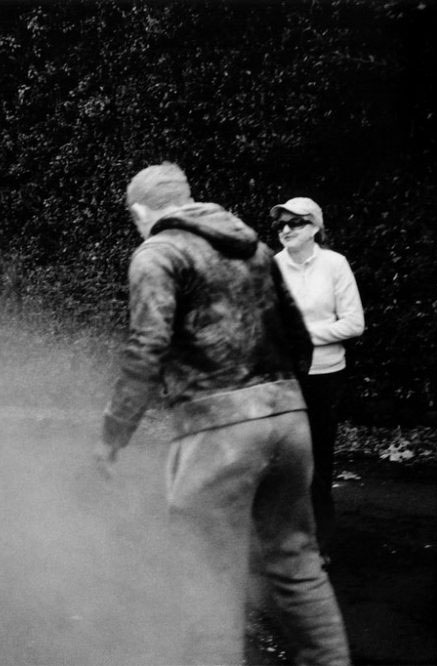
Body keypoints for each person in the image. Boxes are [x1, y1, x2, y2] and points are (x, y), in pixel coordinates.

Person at [98, 163, 350, 665]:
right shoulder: (255, 249)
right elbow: (299, 338)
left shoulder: (158, 252)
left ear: (139, 211)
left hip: (218, 432)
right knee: (297, 563)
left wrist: (113, 433)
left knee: (208, 578)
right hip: (289, 416)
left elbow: (147, 345)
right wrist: (277, 400)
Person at [271, 197, 364, 557]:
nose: (286, 230)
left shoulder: (334, 264)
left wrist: (304, 335)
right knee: (283, 461)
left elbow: (354, 323)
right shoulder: (272, 267)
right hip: (284, 376)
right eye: (281, 224)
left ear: (314, 228)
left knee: (318, 463)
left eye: (295, 223)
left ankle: (319, 544)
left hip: (325, 376)